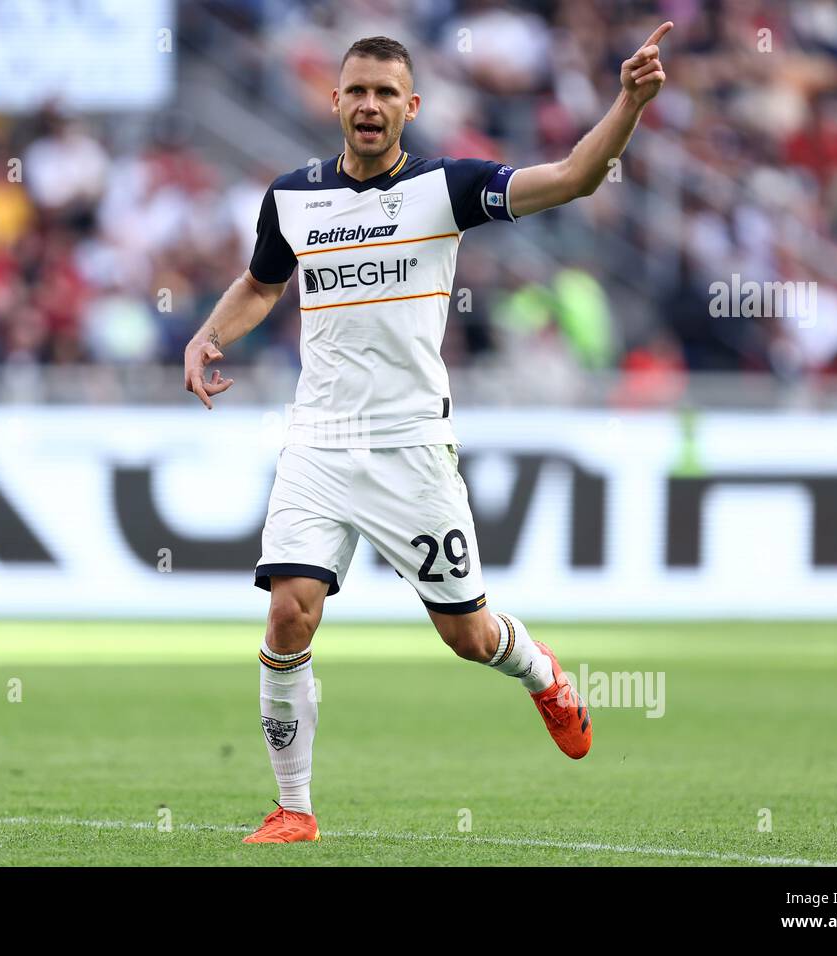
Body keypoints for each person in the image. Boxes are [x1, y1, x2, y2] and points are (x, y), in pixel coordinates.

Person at [183, 26, 672, 843]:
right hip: (319, 439)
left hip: (411, 443)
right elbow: (262, 283)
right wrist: (208, 334)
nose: (369, 105)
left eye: (386, 93)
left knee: (467, 635)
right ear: (333, 100)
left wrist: (627, 100)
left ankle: (542, 673)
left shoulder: (445, 188)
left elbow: (575, 179)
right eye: (356, 90)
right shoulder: (293, 196)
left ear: (411, 106)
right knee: (288, 615)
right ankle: (294, 808)